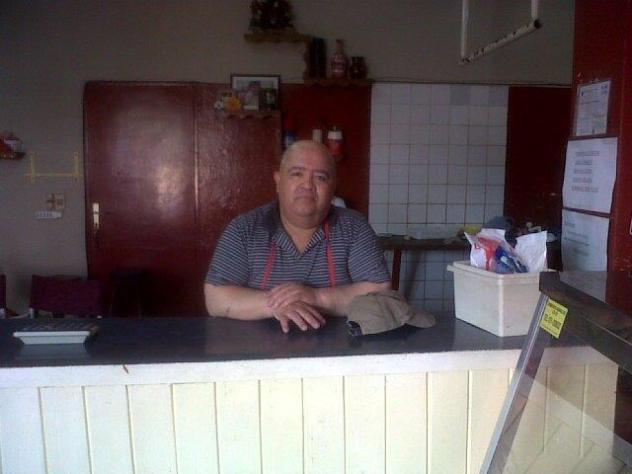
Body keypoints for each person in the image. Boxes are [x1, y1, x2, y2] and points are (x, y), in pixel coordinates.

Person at [204, 140, 391, 332]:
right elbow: (215, 298)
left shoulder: (354, 227)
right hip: (258, 349)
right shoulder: (244, 229)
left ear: (333, 187)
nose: (307, 185)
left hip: (342, 348)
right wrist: (277, 305)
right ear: (278, 181)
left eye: (320, 177)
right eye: (297, 174)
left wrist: (317, 297)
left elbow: (380, 291)